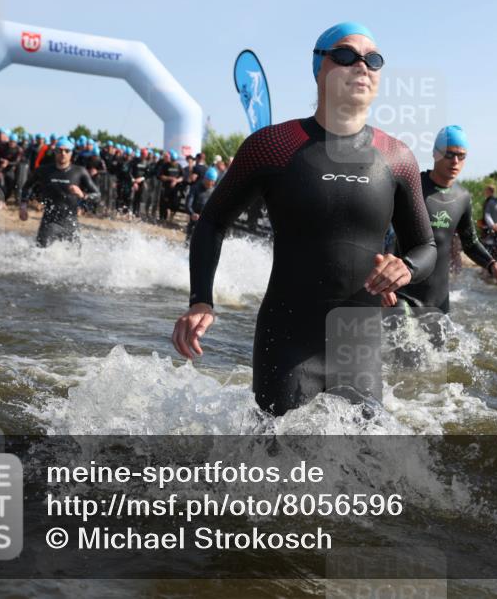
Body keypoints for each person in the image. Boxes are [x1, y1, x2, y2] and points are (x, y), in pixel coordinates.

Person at [172, 21, 437, 416]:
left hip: (358, 346)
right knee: (278, 466)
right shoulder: (273, 147)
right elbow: (212, 222)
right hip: (288, 340)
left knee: (363, 468)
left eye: (373, 60)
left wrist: (407, 268)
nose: (361, 66)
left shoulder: (396, 157)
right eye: (346, 55)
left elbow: (425, 246)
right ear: (319, 68)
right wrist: (201, 301)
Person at [383, 125, 497, 313]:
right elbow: (386, 233)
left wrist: (492, 265)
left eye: (461, 156)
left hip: (438, 299)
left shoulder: (462, 197)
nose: (455, 161)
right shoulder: (413, 187)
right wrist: (384, 279)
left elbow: (470, 242)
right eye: (449, 154)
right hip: (402, 293)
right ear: (435, 154)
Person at [19, 137, 100, 247]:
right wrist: (23, 206)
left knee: (76, 259)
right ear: (55, 152)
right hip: (49, 222)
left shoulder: (79, 171)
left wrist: (82, 195)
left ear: (71, 153)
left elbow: (97, 195)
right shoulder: (44, 170)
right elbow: (27, 187)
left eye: (67, 151)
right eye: (59, 150)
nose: (63, 153)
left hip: (71, 223)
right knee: (40, 254)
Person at [185, 166, 218, 243]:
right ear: (205, 179)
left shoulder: (214, 191)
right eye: (208, 182)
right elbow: (188, 205)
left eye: (212, 182)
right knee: (189, 243)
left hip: (207, 222)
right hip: (195, 220)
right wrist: (192, 213)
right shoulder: (195, 188)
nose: (210, 184)